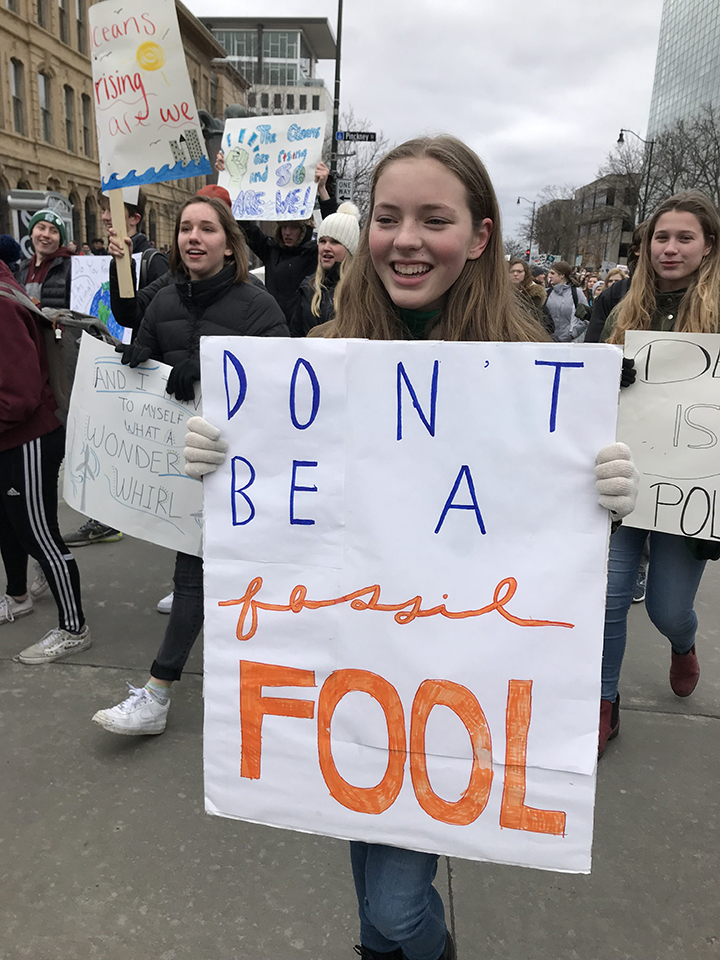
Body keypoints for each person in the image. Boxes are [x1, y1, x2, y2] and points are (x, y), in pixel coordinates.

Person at [183, 135, 639, 960]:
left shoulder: (525, 367)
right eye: (389, 218)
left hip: (450, 673)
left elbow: (533, 540)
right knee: (368, 852)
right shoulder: (320, 355)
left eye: (435, 219)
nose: (407, 239)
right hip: (350, 666)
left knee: (398, 908)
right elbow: (284, 512)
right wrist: (219, 460)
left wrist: (597, 493)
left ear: (480, 235)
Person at [91, 195, 288, 737]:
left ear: (230, 243)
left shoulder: (259, 307)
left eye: (207, 228)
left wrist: (211, 370)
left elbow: (284, 387)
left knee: (263, 586)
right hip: (187, 474)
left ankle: (275, 691)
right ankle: (158, 693)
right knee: (192, 578)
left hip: (249, 475)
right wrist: (140, 362)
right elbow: (148, 368)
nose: (193, 237)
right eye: (185, 229)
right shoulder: (160, 302)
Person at [597, 190, 720, 758]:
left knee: (669, 606)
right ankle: (603, 704)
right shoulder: (622, 305)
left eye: (683, 238)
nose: (669, 249)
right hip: (623, 484)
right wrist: (605, 374)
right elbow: (579, 378)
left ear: (708, 245)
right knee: (610, 597)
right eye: (660, 238)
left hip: (687, 490)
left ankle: (684, 642)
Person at [63, 189, 170, 550]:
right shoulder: (106, 258)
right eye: (105, 213)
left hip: (136, 368)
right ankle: (107, 516)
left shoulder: (154, 262)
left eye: (113, 213)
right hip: (108, 361)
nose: (105, 218)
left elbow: (143, 316)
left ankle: (136, 513)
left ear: (135, 219)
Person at [0, 260, 91, 663]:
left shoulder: (2, 305)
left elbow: (17, 398)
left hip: (29, 438)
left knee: (40, 535)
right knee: (8, 524)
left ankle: (74, 628)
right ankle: (18, 596)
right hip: (10, 439)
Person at [215, 153, 338, 324]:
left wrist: (323, 190)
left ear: (305, 229)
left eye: (294, 227)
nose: (287, 232)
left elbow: (335, 228)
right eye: (284, 226)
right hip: (273, 325)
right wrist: (229, 177)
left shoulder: (313, 252)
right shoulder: (271, 250)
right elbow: (245, 225)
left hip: (303, 329)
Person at [291, 202, 361, 336]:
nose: (326, 247)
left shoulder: (361, 291)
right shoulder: (308, 288)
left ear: (349, 248)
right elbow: (295, 336)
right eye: (322, 241)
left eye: (335, 242)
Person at [14, 210, 72, 308]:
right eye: (41, 228)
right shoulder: (21, 269)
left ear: (60, 240)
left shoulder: (71, 268)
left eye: (54, 231)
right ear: (32, 233)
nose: (46, 235)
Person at [544, 260, 589, 341]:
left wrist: (572, 334)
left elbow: (586, 317)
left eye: (552, 273)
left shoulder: (576, 293)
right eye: (549, 273)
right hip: (547, 341)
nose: (549, 276)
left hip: (568, 343)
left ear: (562, 275)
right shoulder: (546, 293)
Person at [507, 257, 551, 332]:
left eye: (519, 271)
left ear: (526, 273)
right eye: (512, 271)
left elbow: (547, 324)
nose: (515, 274)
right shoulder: (500, 293)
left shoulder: (534, 294)